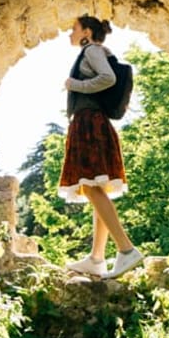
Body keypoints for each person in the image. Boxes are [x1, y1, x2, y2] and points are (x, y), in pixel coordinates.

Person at [60, 14, 144, 279]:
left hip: (89, 124)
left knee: (90, 187)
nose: (69, 33)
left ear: (86, 31)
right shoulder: (92, 51)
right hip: (93, 123)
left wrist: (77, 85)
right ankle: (97, 259)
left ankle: (127, 250)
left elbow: (108, 78)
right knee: (95, 187)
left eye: (73, 29)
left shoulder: (93, 50)